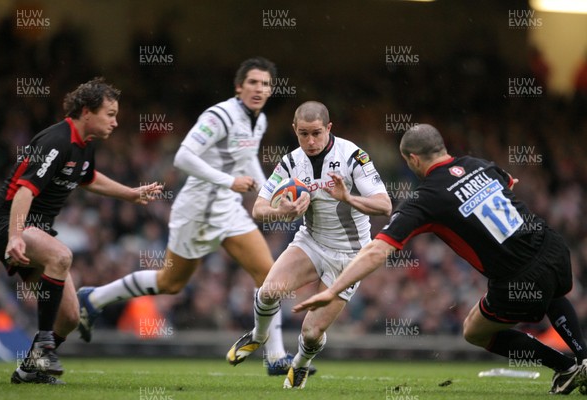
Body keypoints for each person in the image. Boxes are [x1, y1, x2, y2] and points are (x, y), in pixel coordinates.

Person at [293, 124, 587, 395]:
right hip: (553, 247)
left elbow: (377, 250)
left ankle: (564, 366)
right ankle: (583, 359)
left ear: (413, 160)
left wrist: (332, 290)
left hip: (519, 275)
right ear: (442, 147)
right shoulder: (478, 164)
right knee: (553, 292)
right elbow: (509, 184)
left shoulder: (426, 198)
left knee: (474, 331)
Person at [77, 57, 297, 375]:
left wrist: (273, 198)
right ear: (239, 87)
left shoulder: (258, 121)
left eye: (265, 84)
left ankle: (275, 357)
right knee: (171, 283)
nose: (258, 88)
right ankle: (94, 298)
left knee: (269, 275)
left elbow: (248, 162)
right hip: (196, 209)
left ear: (271, 90)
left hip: (227, 208)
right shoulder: (219, 115)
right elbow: (182, 157)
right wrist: (228, 181)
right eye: (252, 82)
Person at [0, 77, 163, 384]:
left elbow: (89, 178)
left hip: (33, 229)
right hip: (6, 222)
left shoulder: (84, 146)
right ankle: (43, 347)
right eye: (110, 114)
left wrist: (131, 194)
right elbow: (24, 193)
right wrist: (15, 236)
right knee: (61, 255)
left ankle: (29, 369)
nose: (116, 122)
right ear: (86, 112)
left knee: (69, 316)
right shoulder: (56, 141)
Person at [226, 101, 392, 389]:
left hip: (351, 256)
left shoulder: (353, 156)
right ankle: (259, 335)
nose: (311, 141)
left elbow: (384, 205)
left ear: (329, 128)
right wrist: (283, 212)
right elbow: (259, 209)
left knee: (312, 332)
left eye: (317, 133)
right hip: (311, 242)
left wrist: (348, 198)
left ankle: (301, 364)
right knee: (268, 292)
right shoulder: (291, 162)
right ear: (295, 130)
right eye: (303, 134)